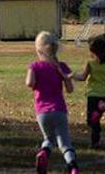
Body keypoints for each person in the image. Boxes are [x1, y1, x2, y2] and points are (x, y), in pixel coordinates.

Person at [26, 31, 79, 174]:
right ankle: (73, 167)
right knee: (65, 143)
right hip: (59, 110)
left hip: (42, 112)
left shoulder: (35, 66)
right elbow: (70, 89)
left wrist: (36, 84)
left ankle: (43, 153)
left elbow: (29, 83)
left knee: (48, 138)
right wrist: (66, 77)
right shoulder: (61, 67)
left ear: (39, 50)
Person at [70, 36, 105, 149]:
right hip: (104, 95)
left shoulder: (90, 64)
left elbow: (83, 77)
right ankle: (98, 139)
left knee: (91, 122)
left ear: (92, 52)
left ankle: (95, 142)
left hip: (92, 95)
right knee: (96, 117)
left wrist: (73, 75)